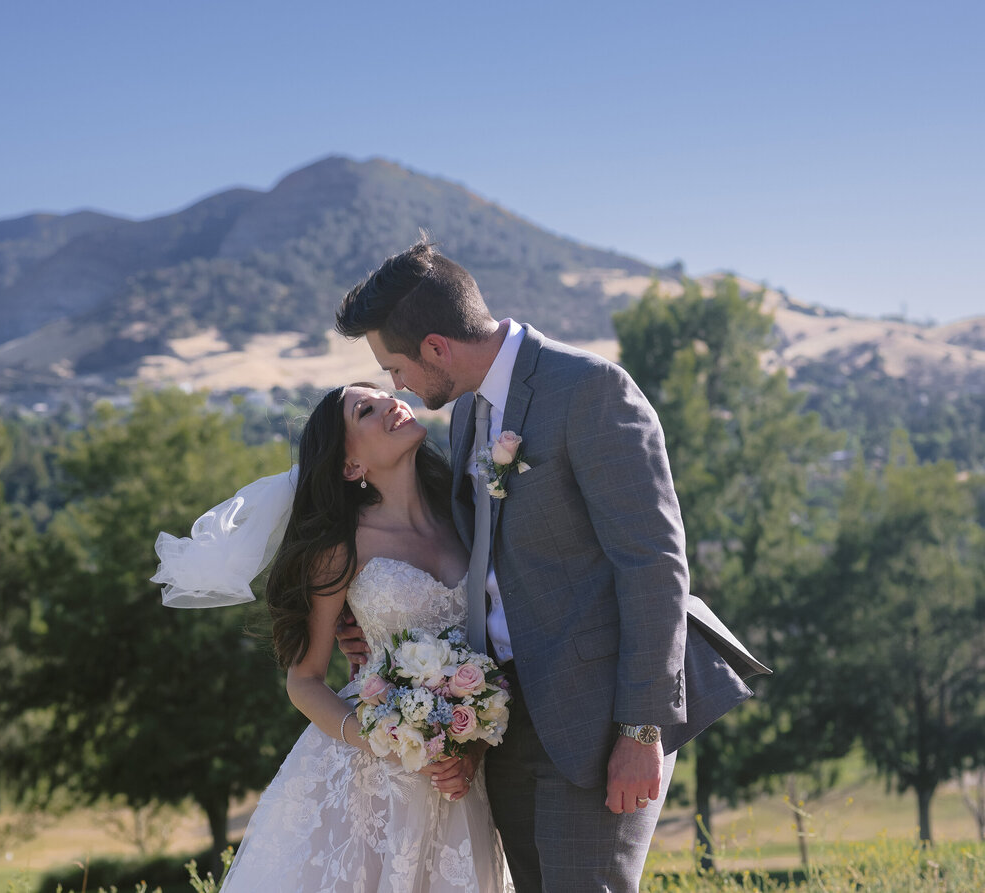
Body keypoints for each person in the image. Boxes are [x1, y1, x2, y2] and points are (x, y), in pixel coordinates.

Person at [334, 241, 760, 892]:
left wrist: (642, 728)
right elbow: (476, 555)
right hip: (504, 718)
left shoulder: (590, 390)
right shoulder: (468, 414)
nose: (399, 386)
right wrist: (380, 628)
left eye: (395, 366)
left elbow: (653, 564)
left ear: (437, 347)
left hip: (597, 718)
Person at [156, 383, 514, 892]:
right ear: (350, 468)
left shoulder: (465, 516)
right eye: (365, 410)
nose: (393, 402)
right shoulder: (340, 548)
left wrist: (468, 743)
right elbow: (303, 681)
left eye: (388, 394)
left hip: (462, 776)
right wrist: (383, 741)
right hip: (374, 783)